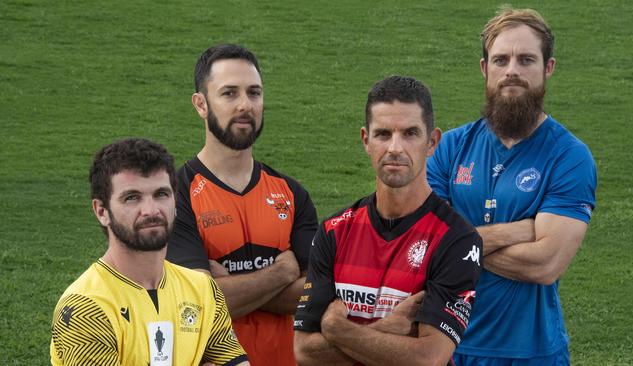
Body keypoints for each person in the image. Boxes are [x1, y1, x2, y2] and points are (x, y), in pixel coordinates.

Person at [426, 7, 598, 366]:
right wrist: (523, 231)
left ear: (547, 68)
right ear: (485, 69)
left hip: (531, 354)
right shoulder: (448, 148)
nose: (512, 71)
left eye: (526, 60)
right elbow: (425, 247)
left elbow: (545, 265)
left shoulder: (570, 157)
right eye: (501, 60)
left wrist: (460, 244)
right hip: (445, 347)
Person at [294, 76, 482, 366]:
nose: (395, 147)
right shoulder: (334, 231)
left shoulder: (457, 239)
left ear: (432, 142)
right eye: (383, 134)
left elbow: (428, 357)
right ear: (365, 140)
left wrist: (336, 329)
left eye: (410, 133)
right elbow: (305, 351)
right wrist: (386, 329)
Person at [166, 44, 318, 366]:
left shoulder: (292, 193)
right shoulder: (175, 195)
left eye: (254, 93)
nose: (245, 105)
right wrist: (282, 272)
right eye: (229, 94)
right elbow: (196, 306)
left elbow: (315, 295)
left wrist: (228, 289)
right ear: (201, 104)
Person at [50, 138, 249, 366]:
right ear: (102, 211)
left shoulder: (202, 289)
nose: (151, 210)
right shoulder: (85, 308)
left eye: (161, 194)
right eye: (132, 198)